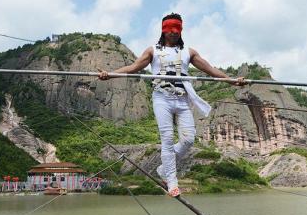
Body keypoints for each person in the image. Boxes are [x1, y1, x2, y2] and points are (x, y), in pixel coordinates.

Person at [98, 13, 245, 197]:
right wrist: (109, 74)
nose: (174, 33)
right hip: (162, 99)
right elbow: (133, 68)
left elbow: (210, 69)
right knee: (167, 139)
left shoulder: (188, 52)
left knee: (188, 139)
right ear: (163, 30)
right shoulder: (153, 51)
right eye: (170, 30)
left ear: (181, 30)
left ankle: (163, 169)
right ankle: (172, 182)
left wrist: (231, 80)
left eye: (177, 30)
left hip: (182, 99)